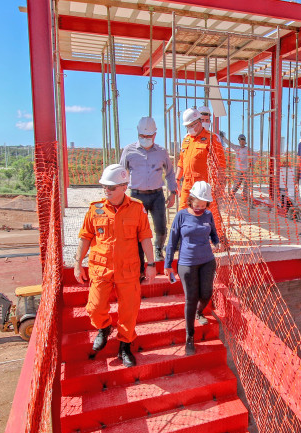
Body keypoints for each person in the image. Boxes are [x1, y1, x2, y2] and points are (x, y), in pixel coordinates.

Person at [73, 164, 154, 368]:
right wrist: (77, 263)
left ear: (124, 186)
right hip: (100, 268)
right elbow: (85, 237)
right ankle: (104, 327)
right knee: (95, 307)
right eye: (104, 187)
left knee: (129, 311)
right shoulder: (95, 209)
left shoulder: (137, 209)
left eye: (111, 187)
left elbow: (145, 237)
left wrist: (151, 264)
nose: (106, 190)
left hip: (128, 270)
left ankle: (124, 347)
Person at [163, 181, 219, 356]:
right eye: (198, 204)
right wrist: (168, 264)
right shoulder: (181, 216)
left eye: (204, 205)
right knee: (191, 298)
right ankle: (190, 336)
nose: (200, 208)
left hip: (207, 260)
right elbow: (172, 242)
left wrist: (216, 242)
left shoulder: (208, 215)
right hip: (187, 263)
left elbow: (213, 233)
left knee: (207, 293)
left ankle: (199, 312)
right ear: (191, 200)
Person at [119, 116, 177, 275]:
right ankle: (139, 261)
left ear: (155, 135)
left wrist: (172, 193)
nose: (145, 139)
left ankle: (158, 250)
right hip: (137, 196)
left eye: (148, 136)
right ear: (138, 133)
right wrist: (120, 196)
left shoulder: (161, 152)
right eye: (142, 136)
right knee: (137, 231)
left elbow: (170, 173)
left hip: (157, 195)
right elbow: (121, 173)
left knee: (161, 228)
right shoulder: (129, 151)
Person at [176, 108, 227, 246]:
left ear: (199, 122)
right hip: (187, 184)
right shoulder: (186, 140)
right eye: (187, 126)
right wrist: (176, 179)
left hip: (204, 185)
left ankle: (219, 239)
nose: (190, 129)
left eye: (192, 125)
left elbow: (221, 164)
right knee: (182, 212)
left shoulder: (211, 138)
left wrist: (220, 184)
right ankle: (183, 240)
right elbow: (181, 161)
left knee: (211, 212)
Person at [222, 133, 256, 200]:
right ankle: (232, 194)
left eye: (243, 141)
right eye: (240, 141)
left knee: (246, 183)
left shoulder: (248, 149)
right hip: (239, 169)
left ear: (245, 141)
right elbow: (230, 144)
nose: (242, 142)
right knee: (237, 182)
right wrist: (223, 138)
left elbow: (255, 156)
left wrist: (252, 163)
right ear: (239, 141)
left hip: (246, 169)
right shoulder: (237, 148)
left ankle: (245, 196)